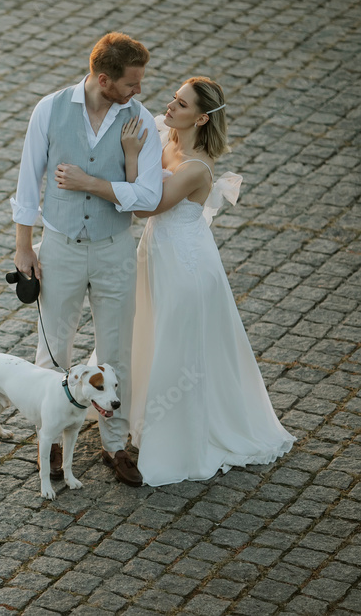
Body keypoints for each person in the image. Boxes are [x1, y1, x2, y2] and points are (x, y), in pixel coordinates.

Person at [69, 76, 295, 486]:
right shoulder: (165, 136)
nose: (171, 107)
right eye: (174, 99)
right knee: (142, 331)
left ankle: (175, 434)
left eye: (182, 105)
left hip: (185, 266)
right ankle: (126, 412)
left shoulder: (196, 168)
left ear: (202, 119)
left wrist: (132, 154)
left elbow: (146, 207)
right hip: (154, 257)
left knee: (176, 346)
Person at [11, 32, 163, 487]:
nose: (139, 92)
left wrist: (91, 182)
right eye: (132, 83)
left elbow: (148, 195)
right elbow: (27, 181)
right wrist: (23, 246)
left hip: (115, 249)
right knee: (53, 348)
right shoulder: (50, 109)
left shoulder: (140, 123)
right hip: (59, 247)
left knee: (116, 351)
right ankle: (51, 441)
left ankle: (115, 445)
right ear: (103, 78)